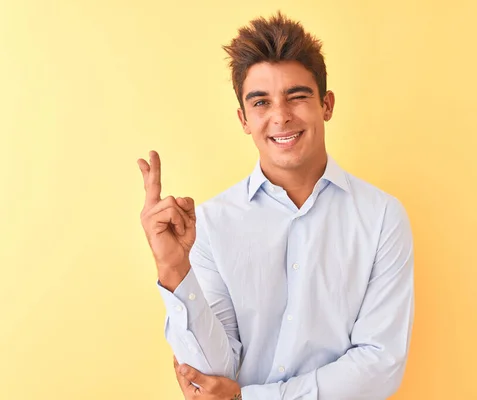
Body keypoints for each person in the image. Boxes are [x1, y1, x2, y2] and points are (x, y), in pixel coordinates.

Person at [137, 11, 414, 400]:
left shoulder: (381, 217)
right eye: (261, 102)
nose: (281, 117)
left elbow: (379, 366)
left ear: (327, 104)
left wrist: (249, 398)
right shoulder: (210, 225)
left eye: (297, 96)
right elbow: (211, 376)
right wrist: (173, 269)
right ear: (244, 119)